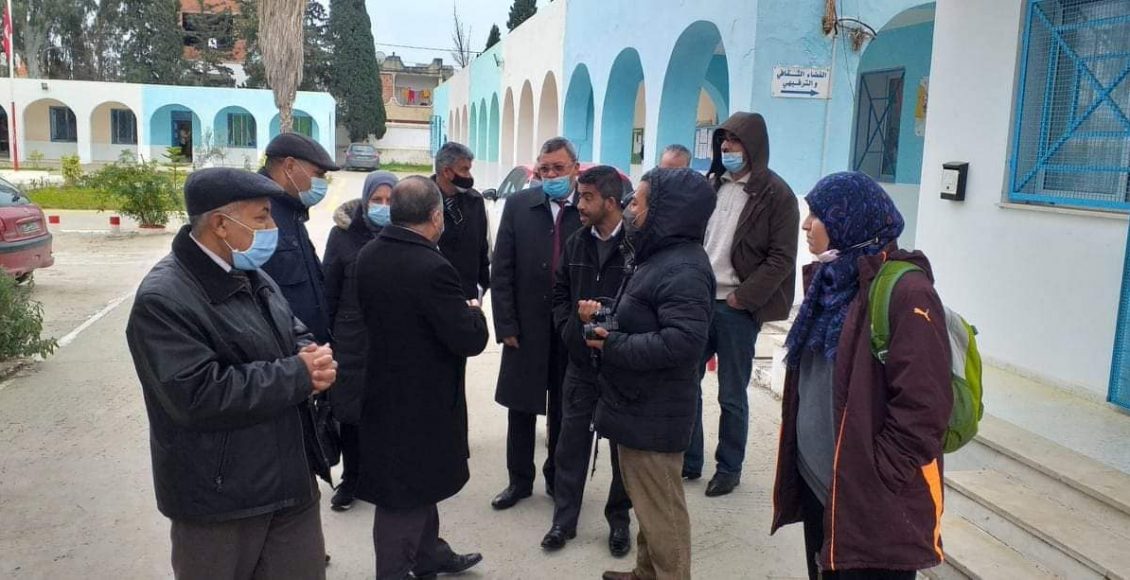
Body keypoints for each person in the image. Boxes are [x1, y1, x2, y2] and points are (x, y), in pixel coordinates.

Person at [125, 168, 338, 579]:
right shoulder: (164, 299)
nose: (273, 228)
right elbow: (198, 395)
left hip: (289, 481)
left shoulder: (250, 273)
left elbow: (291, 329)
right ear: (221, 224)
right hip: (220, 499)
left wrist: (310, 356)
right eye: (262, 217)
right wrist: (298, 375)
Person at [771, 172, 952, 580]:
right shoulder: (828, 283)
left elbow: (925, 407)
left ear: (848, 220)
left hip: (869, 500)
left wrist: (878, 474)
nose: (806, 225)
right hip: (823, 488)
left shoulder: (908, 293)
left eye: (817, 215)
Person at [354, 176, 489, 580]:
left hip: (383, 389)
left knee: (418, 484)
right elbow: (468, 339)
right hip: (422, 401)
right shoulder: (432, 267)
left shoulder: (369, 254)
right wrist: (474, 313)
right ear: (435, 216)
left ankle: (430, 556)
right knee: (403, 500)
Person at [593, 168, 716, 580]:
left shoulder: (684, 268)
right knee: (648, 504)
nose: (631, 208)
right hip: (638, 405)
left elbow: (682, 343)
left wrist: (613, 344)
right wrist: (605, 322)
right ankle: (646, 573)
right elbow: (643, 318)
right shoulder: (659, 257)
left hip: (655, 412)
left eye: (639, 202)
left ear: (666, 211)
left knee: (663, 515)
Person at [686, 112, 800, 497]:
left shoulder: (776, 194)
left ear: (753, 146)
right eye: (723, 140)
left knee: (731, 394)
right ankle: (690, 459)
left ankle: (729, 468)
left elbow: (781, 258)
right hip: (700, 301)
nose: (727, 147)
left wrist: (743, 297)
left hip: (736, 309)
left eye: (734, 140)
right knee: (686, 380)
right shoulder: (712, 186)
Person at [542, 165, 633, 556]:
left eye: (587, 197)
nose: (579, 204)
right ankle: (563, 521)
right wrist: (570, 330)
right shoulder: (577, 242)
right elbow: (560, 295)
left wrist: (613, 330)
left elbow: (643, 302)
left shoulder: (636, 246)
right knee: (570, 443)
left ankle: (619, 521)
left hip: (621, 365)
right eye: (580, 196)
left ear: (610, 202)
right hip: (579, 364)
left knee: (622, 450)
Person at [490, 137, 584, 510]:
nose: (551, 175)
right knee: (521, 406)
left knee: (564, 406)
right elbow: (502, 269)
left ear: (575, 168)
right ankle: (519, 480)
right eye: (544, 169)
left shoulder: (587, 206)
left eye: (558, 168)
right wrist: (506, 325)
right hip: (525, 326)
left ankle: (557, 478)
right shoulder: (519, 205)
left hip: (569, 327)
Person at [322, 171, 397, 511]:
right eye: (376, 200)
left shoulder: (407, 234)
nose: (383, 206)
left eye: (390, 200)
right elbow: (329, 290)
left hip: (393, 339)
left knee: (388, 411)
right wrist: (327, 339)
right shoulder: (342, 235)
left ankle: (383, 476)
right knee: (350, 412)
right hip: (351, 338)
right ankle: (351, 477)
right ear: (365, 201)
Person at [260, 132, 341, 344]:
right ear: (289, 166)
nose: (322, 183)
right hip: (285, 351)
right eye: (318, 174)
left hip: (309, 350)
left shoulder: (292, 210)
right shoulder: (258, 214)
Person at [433, 142, 491, 300]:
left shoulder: (475, 201)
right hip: (434, 293)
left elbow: (482, 248)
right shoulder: (423, 199)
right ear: (447, 171)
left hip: (467, 294)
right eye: (464, 170)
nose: (469, 176)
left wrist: (483, 285)